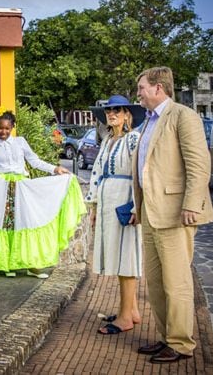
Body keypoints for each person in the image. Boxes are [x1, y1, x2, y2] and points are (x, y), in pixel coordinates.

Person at [133, 66, 213, 364]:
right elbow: (147, 169)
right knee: (155, 283)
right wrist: (136, 206)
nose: (138, 93)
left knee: (176, 283)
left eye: (142, 87)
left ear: (158, 88)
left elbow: (198, 164)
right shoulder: (148, 121)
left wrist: (192, 204)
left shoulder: (183, 116)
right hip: (151, 214)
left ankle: (181, 344)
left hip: (176, 214)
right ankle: (167, 337)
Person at [0, 108, 83, 278]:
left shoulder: (20, 142)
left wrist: (54, 168)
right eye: (0, 128)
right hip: (3, 188)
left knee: (27, 222)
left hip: (22, 186)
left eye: (7, 128)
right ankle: (8, 264)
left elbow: (34, 161)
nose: (3, 131)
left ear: (13, 127)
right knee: (7, 223)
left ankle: (31, 264)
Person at [86, 95, 145, 335]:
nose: (112, 114)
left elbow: (140, 173)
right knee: (118, 256)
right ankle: (131, 310)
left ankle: (124, 318)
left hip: (124, 202)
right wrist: (94, 205)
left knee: (126, 258)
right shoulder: (108, 139)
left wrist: (135, 207)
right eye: (109, 111)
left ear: (127, 115)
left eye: (117, 110)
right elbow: (96, 174)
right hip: (108, 201)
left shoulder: (133, 139)